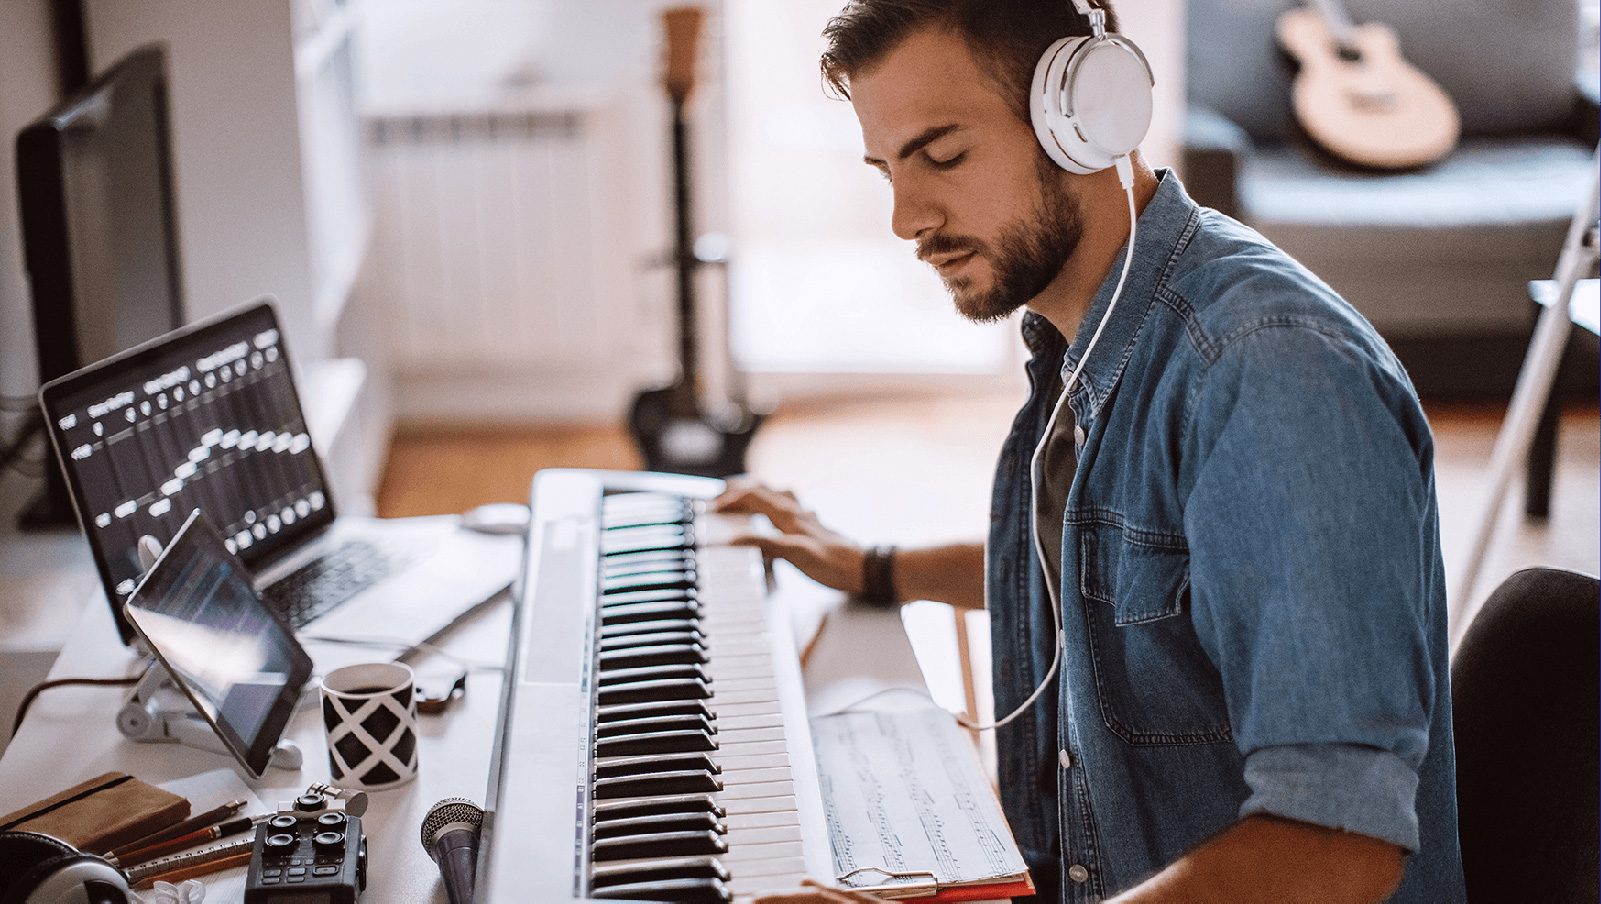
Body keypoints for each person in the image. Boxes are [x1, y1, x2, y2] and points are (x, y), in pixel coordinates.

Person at [726, 1, 1467, 902]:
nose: (905, 217)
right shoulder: (1098, 335)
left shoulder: (1270, 375)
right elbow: (1110, 577)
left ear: (1086, 119)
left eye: (943, 155)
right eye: (887, 169)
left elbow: (1335, 847)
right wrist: (869, 567)